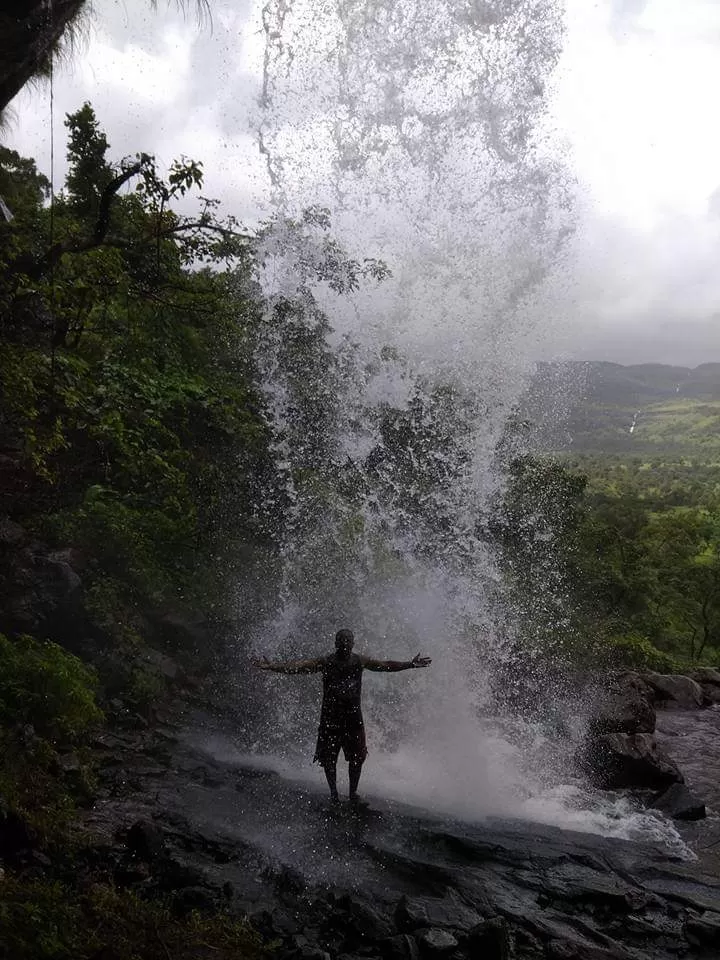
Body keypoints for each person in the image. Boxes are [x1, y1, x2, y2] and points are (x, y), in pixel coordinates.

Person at [254, 628, 431, 804]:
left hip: (353, 718)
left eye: (348, 641)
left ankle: (353, 793)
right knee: (328, 759)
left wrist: (410, 664)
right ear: (335, 643)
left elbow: (385, 666)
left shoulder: (359, 661)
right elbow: (299, 667)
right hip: (330, 719)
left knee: (357, 758)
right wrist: (272, 667)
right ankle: (334, 794)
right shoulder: (326, 662)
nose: (345, 644)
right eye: (341, 640)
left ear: (353, 644)